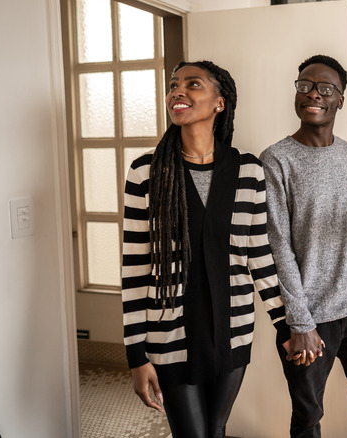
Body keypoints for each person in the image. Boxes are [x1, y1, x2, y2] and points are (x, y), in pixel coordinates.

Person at [121, 60, 291, 438]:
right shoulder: (146, 172)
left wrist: (287, 324)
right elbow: (134, 267)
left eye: (193, 84)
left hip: (232, 328)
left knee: (215, 429)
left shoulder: (248, 169)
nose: (177, 91)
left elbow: (259, 256)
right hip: (169, 334)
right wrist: (136, 355)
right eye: (173, 85)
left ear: (219, 102)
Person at [260, 54, 347, 438]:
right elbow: (277, 245)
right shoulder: (277, 159)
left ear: (340, 99)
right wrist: (299, 322)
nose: (313, 94)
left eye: (325, 88)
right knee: (307, 419)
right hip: (308, 320)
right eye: (305, 85)